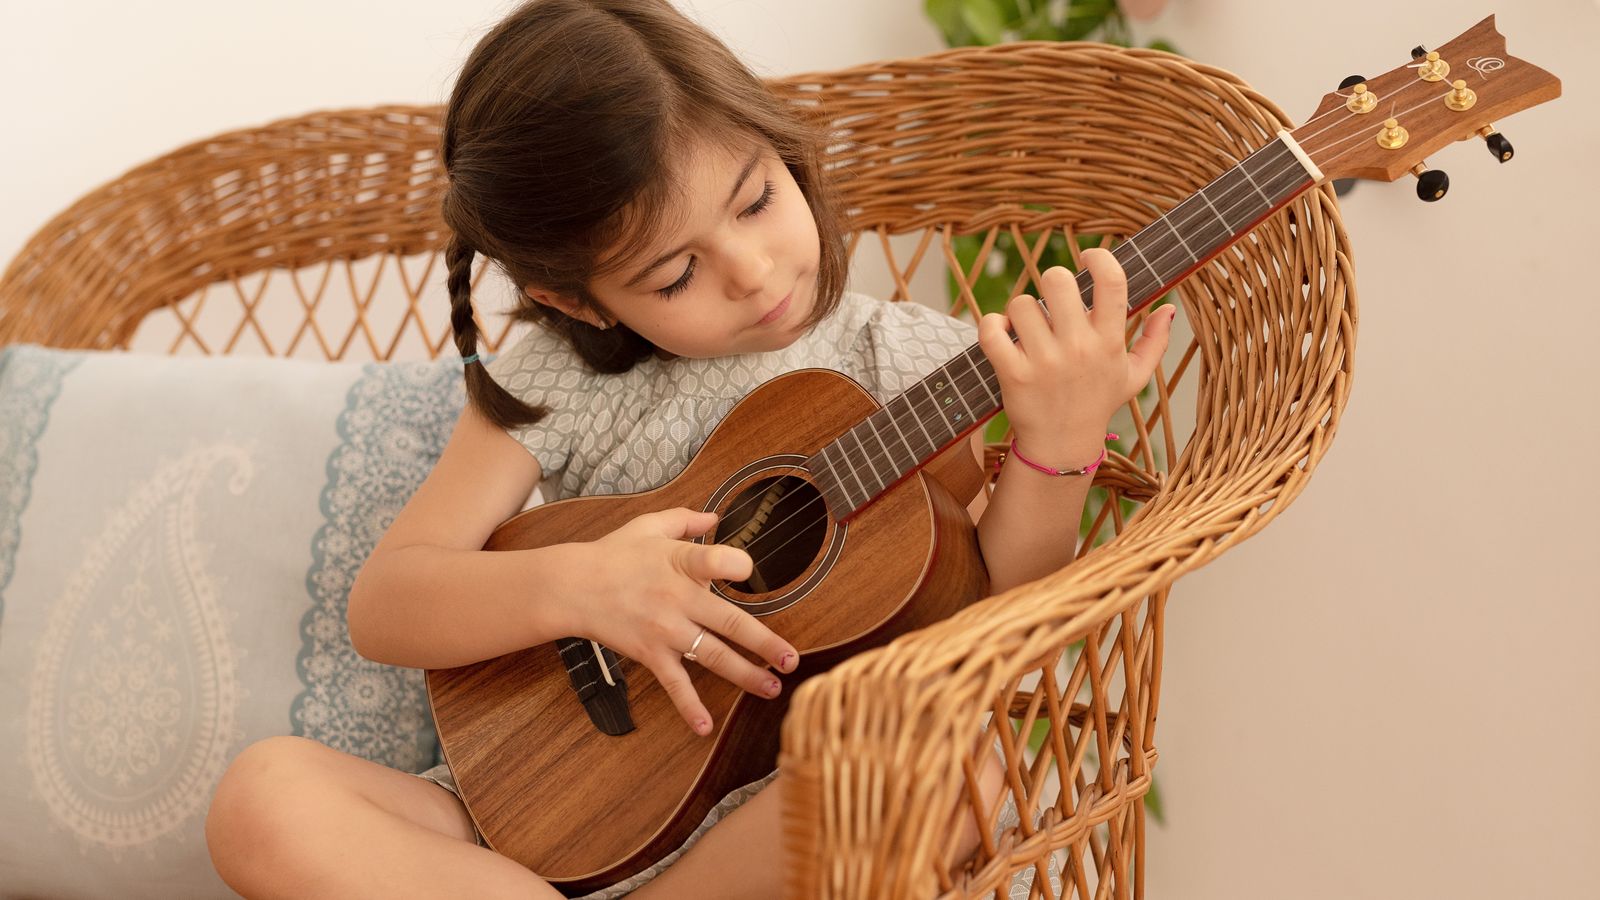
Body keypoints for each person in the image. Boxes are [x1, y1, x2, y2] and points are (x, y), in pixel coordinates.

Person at [203, 1, 1177, 897]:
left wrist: (1057, 449)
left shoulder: (906, 364)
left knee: (955, 776)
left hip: (759, 819)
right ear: (576, 300)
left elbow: (995, 610)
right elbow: (387, 604)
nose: (752, 273)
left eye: (754, 202)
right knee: (262, 797)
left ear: (780, 148)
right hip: (518, 829)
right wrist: (578, 588)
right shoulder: (558, 382)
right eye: (675, 274)